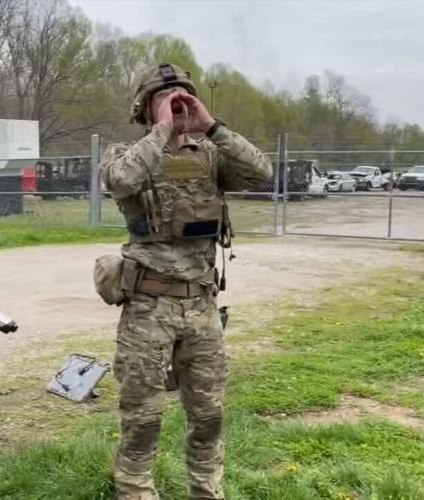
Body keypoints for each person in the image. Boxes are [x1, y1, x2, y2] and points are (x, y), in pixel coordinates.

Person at [101, 63, 273, 499]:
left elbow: (262, 174)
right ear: (144, 108)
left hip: (201, 306)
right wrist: (161, 131)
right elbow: (120, 181)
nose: (176, 104)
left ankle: (206, 490)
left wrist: (211, 126)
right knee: (143, 417)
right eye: (165, 97)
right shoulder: (127, 153)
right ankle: (135, 490)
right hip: (148, 307)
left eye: (183, 96)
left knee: (209, 414)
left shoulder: (210, 154)